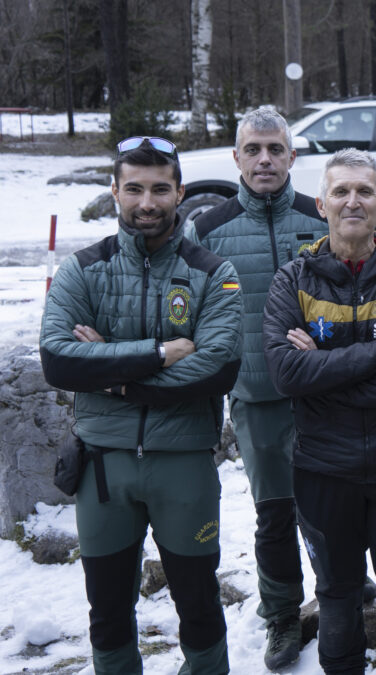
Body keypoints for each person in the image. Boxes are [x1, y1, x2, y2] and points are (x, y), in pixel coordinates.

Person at [39, 137, 243, 674]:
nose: (146, 202)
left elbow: (220, 367)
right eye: (133, 189)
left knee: (198, 604)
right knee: (106, 609)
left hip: (184, 466)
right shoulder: (83, 269)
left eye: (159, 189)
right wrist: (159, 353)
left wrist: (111, 369)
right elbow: (59, 361)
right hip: (103, 470)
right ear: (114, 192)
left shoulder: (214, 272)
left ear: (179, 192)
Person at [263, 149, 376, 675]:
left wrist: (325, 375)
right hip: (324, 474)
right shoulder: (291, 281)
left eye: (364, 191)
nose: (352, 200)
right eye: (340, 191)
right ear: (320, 204)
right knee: (339, 608)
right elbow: (286, 375)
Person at [188, 106, 343, 671]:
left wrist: (324, 339)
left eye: (276, 149)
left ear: (293, 157)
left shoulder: (319, 218)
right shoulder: (206, 231)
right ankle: (281, 615)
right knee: (274, 514)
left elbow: (353, 297)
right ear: (236, 158)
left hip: (326, 398)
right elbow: (190, 314)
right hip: (256, 400)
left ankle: (343, 589)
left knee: (333, 507)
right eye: (253, 150)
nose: (265, 160)